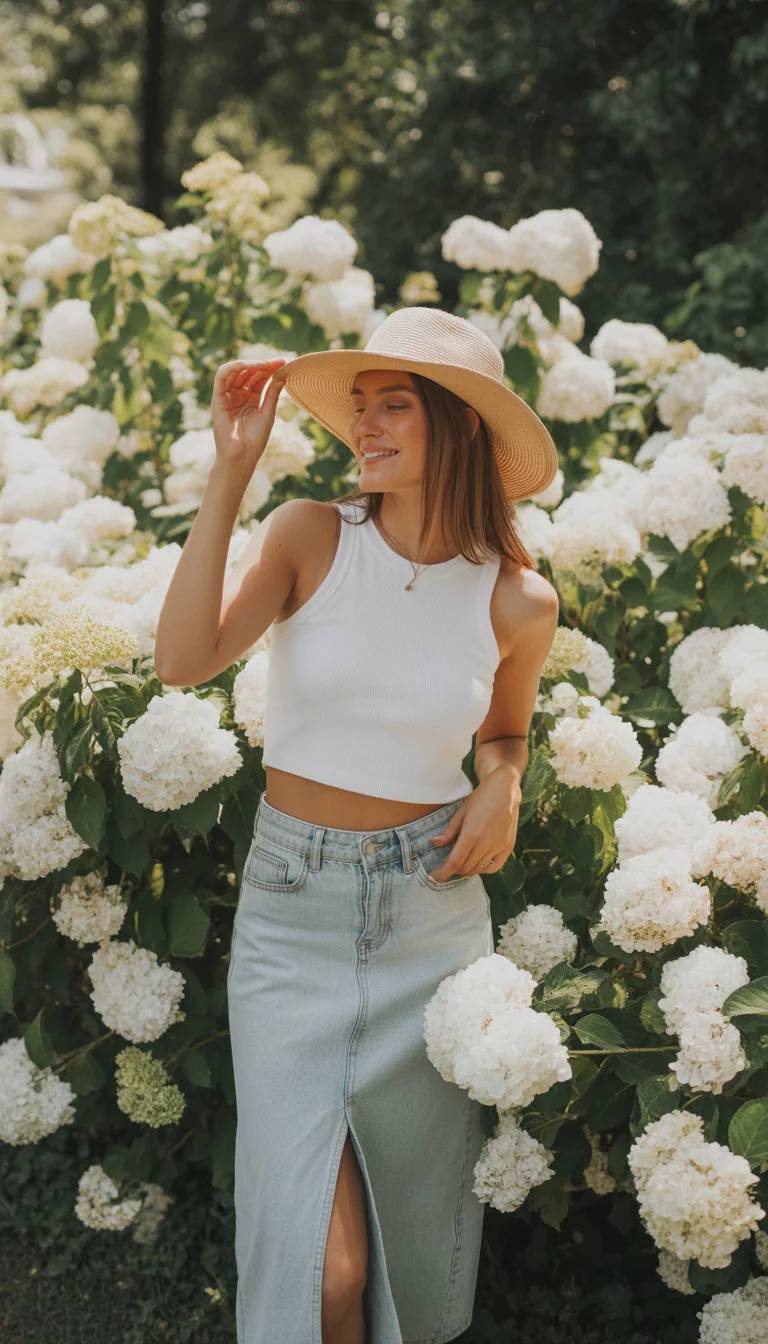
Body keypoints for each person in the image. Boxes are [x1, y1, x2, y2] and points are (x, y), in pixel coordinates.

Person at [154, 306, 561, 1344]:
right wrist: (229, 473)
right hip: (293, 916)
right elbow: (185, 658)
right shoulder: (307, 536)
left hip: (430, 919)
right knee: (324, 1274)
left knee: (406, 1253)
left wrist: (502, 785)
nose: (363, 430)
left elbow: (504, 734)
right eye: (359, 409)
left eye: (395, 409)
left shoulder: (517, 601)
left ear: (460, 428)